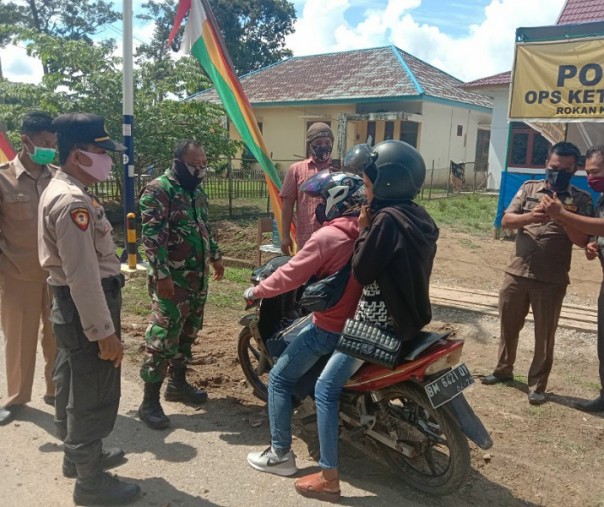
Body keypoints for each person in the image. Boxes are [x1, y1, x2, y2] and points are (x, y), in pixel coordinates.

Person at [293, 140, 439, 502]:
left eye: (369, 183)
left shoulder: (385, 221)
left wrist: (363, 229)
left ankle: (329, 477)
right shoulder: (417, 215)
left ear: (387, 183)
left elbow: (361, 270)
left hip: (377, 323)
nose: (366, 190)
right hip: (410, 318)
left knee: (326, 388)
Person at [38, 113, 140, 505]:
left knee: (70, 379)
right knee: (90, 390)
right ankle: (91, 483)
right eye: (100, 151)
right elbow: (83, 277)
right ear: (78, 154)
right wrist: (105, 333)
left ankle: (78, 459)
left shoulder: (64, 188)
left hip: (69, 303)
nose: (107, 159)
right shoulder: (71, 202)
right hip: (85, 304)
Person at [244, 171, 365, 477]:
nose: (320, 206)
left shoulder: (329, 237)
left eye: (324, 199)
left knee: (280, 380)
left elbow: (292, 274)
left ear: (337, 200)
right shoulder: (366, 231)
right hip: (361, 325)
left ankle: (280, 454)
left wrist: (256, 291)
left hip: (330, 328)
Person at [481, 142, 593, 406]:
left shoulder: (581, 199)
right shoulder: (530, 188)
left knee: (545, 335)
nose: (559, 173)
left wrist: (562, 216)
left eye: (566, 169)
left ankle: (537, 386)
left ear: (574, 169)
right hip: (517, 273)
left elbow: (581, 241)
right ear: (547, 164)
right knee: (508, 326)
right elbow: (507, 220)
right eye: (555, 168)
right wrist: (531, 217)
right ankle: (503, 370)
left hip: (551, 278)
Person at [138, 140, 224, 430]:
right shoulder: (158, 190)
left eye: (203, 165)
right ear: (177, 162)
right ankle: (149, 401)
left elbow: (205, 227)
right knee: (164, 336)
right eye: (194, 164)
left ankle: (177, 383)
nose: (200, 170)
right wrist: (161, 275)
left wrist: (216, 256)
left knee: (189, 331)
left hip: (196, 277)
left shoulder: (196, 192)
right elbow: (152, 237)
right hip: (171, 281)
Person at [0, 112, 58, 426]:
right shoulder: (3, 178)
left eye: (53, 143)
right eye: (44, 143)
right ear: (25, 139)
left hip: (56, 276)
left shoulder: (59, 178)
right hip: (17, 275)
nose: (50, 148)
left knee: (57, 336)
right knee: (19, 340)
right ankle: (17, 398)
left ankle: (55, 389)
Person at [540, 145, 604, 413]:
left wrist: (563, 214)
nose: (590, 178)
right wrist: (595, 245)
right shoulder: (600, 199)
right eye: (588, 172)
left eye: (596, 171)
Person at [280, 122, 335, 254]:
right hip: (306, 240)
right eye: (319, 142)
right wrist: (285, 236)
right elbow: (287, 205)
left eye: (327, 142)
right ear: (310, 144)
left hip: (334, 239)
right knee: (306, 274)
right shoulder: (296, 170)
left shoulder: (340, 169)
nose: (324, 146)